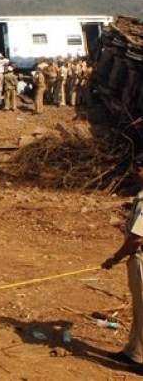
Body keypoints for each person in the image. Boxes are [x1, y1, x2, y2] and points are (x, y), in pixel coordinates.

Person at [101, 159, 143, 374]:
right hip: (136, 256)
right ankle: (133, 352)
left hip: (140, 258)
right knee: (139, 308)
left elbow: (137, 239)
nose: (137, 171)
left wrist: (114, 258)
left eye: (141, 167)